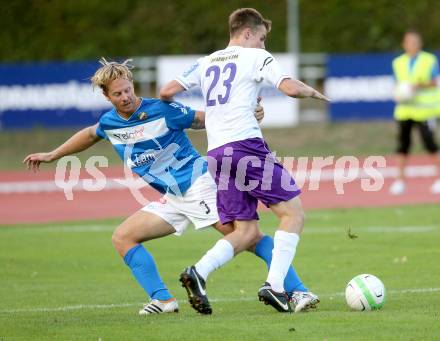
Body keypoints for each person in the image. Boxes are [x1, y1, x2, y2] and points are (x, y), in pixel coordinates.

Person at [24, 58, 316, 316]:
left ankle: (296, 290)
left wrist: (246, 115)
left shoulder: (162, 109)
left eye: (128, 90)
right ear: (106, 95)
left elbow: (203, 119)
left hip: (198, 184)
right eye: (118, 94)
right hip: (173, 197)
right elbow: (90, 134)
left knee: (248, 237)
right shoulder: (110, 122)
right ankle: (163, 300)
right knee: (124, 237)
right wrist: (53, 155)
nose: (126, 97)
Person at [160, 7, 328, 314]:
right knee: (293, 215)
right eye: (262, 38)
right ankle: (275, 287)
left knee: (247, 231)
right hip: (245, 147)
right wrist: (313, 92)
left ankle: (198, 272)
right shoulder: (256, 57)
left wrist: (215, 115)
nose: (264, 45)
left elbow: (166, 91)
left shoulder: (206, 61)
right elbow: (289, 87)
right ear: (247, 33)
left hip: (216, 154)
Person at [390, 30, 440, 195]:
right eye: (409, 42)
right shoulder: (398, 62)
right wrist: (399, 93)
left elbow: (435, 82)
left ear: (420, 43)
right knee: (402, 145)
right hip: (405, 110)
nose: (412, 45)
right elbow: (398, 84)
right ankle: (400, 181)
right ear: (404, 44)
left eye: (415, 42)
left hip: (425, 110)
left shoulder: (429, 59)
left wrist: (417, 87)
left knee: (430, 144)